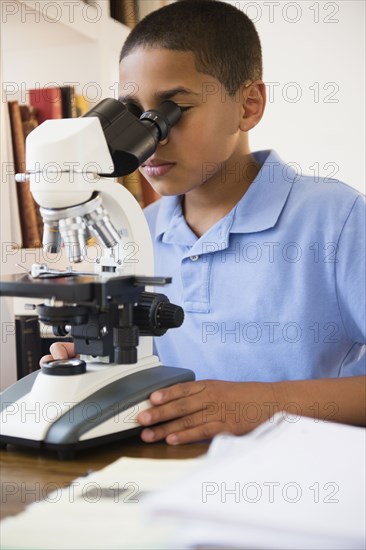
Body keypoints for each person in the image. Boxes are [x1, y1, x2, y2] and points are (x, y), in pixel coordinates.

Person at [42, 0, 366, 445]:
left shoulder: (337, 219)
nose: (148, 138)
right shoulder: (136, 231)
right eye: (133, 113)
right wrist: (94, 359)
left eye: (172, 109)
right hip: (174, 474)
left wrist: (262, 403)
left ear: (248, 105)